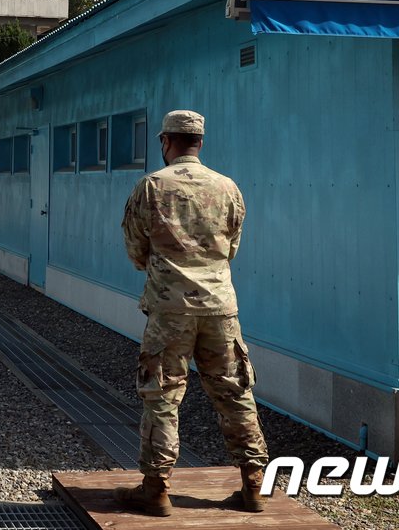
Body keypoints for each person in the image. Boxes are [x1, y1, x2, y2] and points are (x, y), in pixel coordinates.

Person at [115, 110, 269, 517]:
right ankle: (253, 485)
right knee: (236, 393)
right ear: (200, 142)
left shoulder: (151, 187)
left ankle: (157, 488)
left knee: (162, 397)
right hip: (221, 307)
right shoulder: (228, 187)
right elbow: (232, 246)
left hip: (169, 310)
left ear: (166, 141)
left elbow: (135, 248)